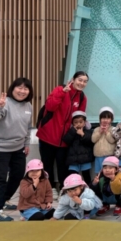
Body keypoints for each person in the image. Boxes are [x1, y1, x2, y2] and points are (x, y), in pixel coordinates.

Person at [0, 77, 33, 222]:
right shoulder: (2, 103)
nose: (22, 91)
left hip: (18, 147)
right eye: (19, 87)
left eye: (26, 88)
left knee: (17, 175)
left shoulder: (28, 105)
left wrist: (26, 143)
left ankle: (4, 199)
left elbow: (28, 127)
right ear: (13, 88)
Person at [38, 71, 88, 199]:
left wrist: (79, 129)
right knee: (47, 164)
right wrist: (62, 92)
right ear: (73, 79)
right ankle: (49, 189)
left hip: (66, 138)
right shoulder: (60, 89)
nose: (82, 83)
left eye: (84, 81)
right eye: (80, 80)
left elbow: (80, 118)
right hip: (48, 135)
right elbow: (50, 106)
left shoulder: (82, 98)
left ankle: (64, 189)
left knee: (63, 165)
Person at [62, 111, 94, 184]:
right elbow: (66, 140)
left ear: (85, 123)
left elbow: (90, 141)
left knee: (86, 176)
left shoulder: (88, 131)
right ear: (72, 123)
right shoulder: (71, 131)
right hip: (73, 160)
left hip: (85, 159)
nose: (78, 124)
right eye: (76, 122)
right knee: (72, 176)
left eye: (80, 122)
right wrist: (73, 131)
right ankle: (74, 188)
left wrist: (83, 134)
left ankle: (88, 188)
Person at [92, 107, 116, 174]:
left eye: (108, 118)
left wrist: (107, 132)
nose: (105, 120)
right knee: (99, 173)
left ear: (112, 119)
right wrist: (100, 132)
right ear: (100, 119)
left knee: (108, 173)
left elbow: (112, 140)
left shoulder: (113, 129)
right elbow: (93, 140)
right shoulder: (96, 129)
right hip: (98, 155)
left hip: (109, 156)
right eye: (103, 118)